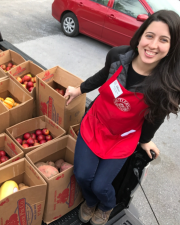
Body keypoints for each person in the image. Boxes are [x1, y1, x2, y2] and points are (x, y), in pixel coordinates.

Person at [63, 10, 180, 225]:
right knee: (82, 175)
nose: (153, 45)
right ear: (141, 35)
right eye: (150, 35)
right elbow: (102, 75)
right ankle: (89, 202)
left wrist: (144, 140)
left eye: (164, 40)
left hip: (123, 137)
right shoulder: (118, 55)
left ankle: (106, 205)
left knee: (101, 185)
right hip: (95, 125)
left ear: (172, 47)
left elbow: (155, 118)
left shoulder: (167, 85)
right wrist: (79, 89)